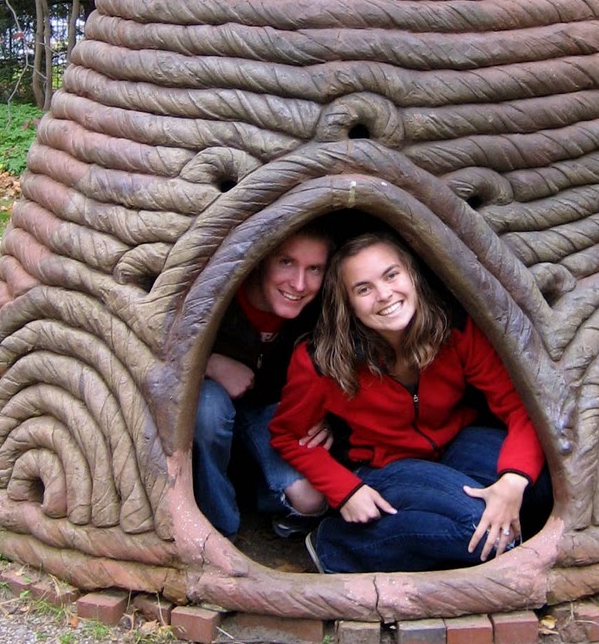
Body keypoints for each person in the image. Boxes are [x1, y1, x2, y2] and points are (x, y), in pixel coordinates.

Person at [269, 231, 551, 573]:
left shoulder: (454, 328)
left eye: (391, 275)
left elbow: (521, 406)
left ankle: (442, 532)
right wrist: (344, 490)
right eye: (363, 289)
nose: (384, 294)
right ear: (347, 303)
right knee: (479, 528)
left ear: (412, 275)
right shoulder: (321, 360)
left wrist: (513, 480)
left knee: (538, 487)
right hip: (384, 469)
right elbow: (287, 435)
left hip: (455, 445)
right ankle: (337, 546)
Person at [193, 228, 331, 539]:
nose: (299, 284)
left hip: (268, 414)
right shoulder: (221, 297)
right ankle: (219, 526)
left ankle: (248, 490)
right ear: (259, 260)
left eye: (314, 269)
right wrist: (209, 363)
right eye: (286, 262)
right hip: (212, 403)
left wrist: (329, 419)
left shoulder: (319, 313)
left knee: (311, 500)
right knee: (207, 410)